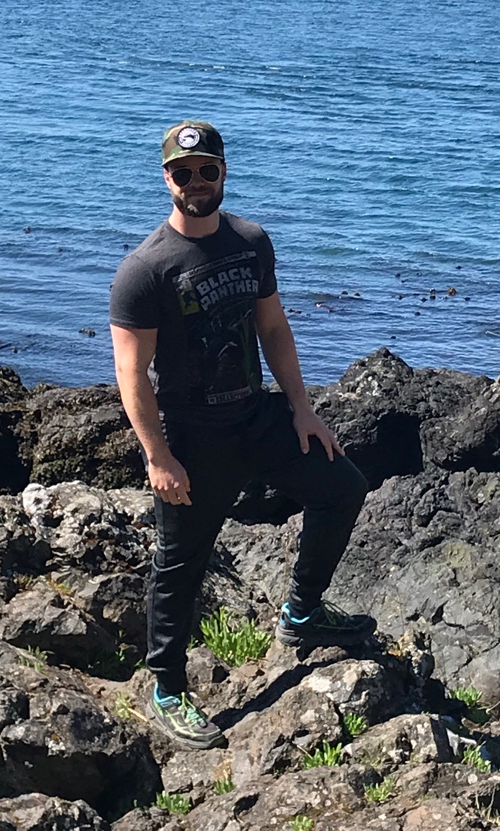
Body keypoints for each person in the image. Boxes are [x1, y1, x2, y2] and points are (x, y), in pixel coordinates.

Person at [109, 120, 372, 750]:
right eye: (184, 172)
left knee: (342, 488)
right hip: (193, 436)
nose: (196, 182)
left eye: (208, 170)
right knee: (181, 562)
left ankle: (301, 613)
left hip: (257, 417)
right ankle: (167, 688)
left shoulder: (251, 242)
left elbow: (273, 328)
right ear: (167, 178)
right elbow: (131, 373)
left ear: (224, 171)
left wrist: (303, 409)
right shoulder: (144, 270)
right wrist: (158, 456)